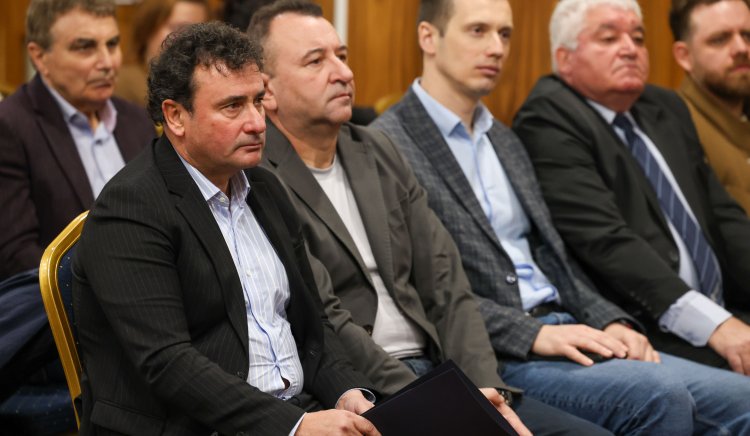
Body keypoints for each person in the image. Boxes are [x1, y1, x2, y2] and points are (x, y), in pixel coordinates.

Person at [373, 0, 750, 433]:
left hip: (569, 326)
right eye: (478, 31)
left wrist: (609, 318)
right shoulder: (388, 144)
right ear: (428, 37)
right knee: (662, 395)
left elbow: (555, 256)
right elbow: (417, 290)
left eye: (504, 34)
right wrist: (531, 333)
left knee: (742, 397)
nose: (496, 47)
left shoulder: (504, 139)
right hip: (498, 351)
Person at [250, 1, 620, 435]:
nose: (343, 73)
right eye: (316, 61)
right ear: (266, 90)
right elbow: (324, 315)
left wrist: (483, 390)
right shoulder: (257, 177)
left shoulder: (377, 149)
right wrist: (439, 400)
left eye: (343, 56)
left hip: (440, 365)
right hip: (362, 388)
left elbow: (447, 284)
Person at [73, 21, 379, 435]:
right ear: (176, 116)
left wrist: (346, 392)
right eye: (233, 106)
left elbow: (312, 325)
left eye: (258, 101)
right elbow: (167, 362)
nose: (257, 123)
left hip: (295, 410)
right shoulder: (130, 207)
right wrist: (295, 426)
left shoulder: (265, 188)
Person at [514, 0, 750, 378]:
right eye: (609, 38)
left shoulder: (664, 105)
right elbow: (605, 241)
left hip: (723, 309)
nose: (630, 49)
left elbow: (723, 217)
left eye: (638, 38)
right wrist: (715, 324)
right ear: (565, 58)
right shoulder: (548, 118)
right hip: (647, 326)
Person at [0, 0, 154, 407]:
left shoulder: (136, 120)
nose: (107, 62)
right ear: (39, 57)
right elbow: (18, 258)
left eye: (112, 44)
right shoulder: (11, 127)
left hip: (154, 314)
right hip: (67, 335)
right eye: (85, 47)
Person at [671, 0, 750, 213]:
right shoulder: (675, 129)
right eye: (720, 39)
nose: (741, 48)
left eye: (747, 36)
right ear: (684, 56)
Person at [115, 0, 210, 107]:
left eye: (200, 32)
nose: (190, 40)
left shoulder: (204, 84)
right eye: (179, 28)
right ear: (148, 27)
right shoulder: (122, 83)